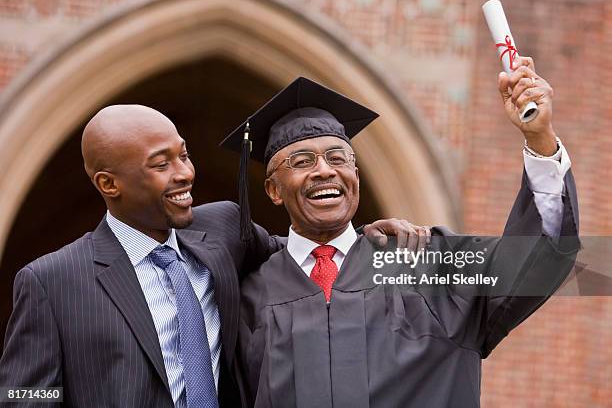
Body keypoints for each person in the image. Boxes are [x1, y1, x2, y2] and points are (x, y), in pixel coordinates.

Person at [0, 105, 428, 407]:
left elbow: (298, 252)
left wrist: (363, 237)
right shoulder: (52, 281)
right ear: (110, 184)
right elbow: (25, 396)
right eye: (160, 164)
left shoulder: (222, 229)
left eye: (183, 154)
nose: (185, 172)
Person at [223, 62, 580, 407]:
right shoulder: (248, 297)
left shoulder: (433, 264)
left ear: (355, 175)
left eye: (338, 158)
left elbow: (540, 256)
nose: (324, 171)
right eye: (302, 162)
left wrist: (539, 139)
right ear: (272, 189)